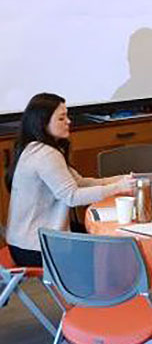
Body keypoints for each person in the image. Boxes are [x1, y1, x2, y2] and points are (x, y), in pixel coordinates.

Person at [4, 93, 135, 267]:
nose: (69, 121)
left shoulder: (38, 148)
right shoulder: (45, 154)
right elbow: (72, 197)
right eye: (61, 118)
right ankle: (101, 292)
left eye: (67, 116)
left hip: (25, 242)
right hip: (36, 248)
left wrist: (120, 180)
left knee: (102, 239)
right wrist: (118, 188)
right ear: (43, 123)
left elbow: (80, 183)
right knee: (110, 248)